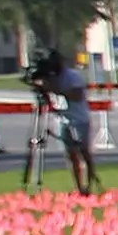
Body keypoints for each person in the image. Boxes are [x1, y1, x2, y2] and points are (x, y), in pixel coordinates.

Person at [30, 45, 97, 193]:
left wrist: (55, 88)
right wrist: (42, 89)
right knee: (70, 154)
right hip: (62, 120)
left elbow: (77, 95)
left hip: (79, 119)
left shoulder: (73, 76)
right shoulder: (50, 78)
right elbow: (49, 101)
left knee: (83, 152)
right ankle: (78, 186)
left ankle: (90, 184)